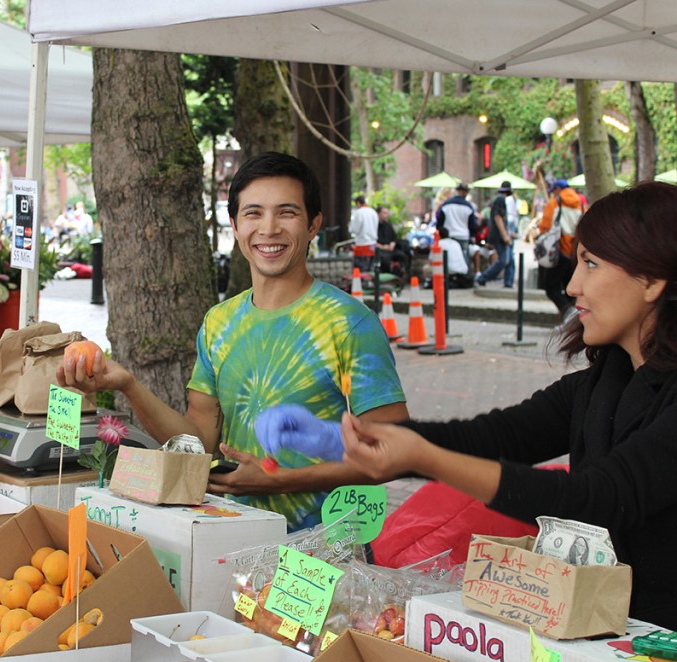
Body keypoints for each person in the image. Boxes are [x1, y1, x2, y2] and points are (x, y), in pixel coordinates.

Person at [261, 182, 677, 628]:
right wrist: (344, 439)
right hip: (612, 628)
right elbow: (492, 437)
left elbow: (596, 499)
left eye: (591, 264)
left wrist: (430, 459)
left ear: (652, 279)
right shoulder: (601, 382)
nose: (573, 285)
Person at [58, 152, 408, 531]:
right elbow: (199, 442)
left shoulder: (351, 324)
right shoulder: (219, 323)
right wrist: (127, 384)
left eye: (287, 213)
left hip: (322, 558)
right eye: (253, 213)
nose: (269, 229)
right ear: (236, 225)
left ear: (313, 225)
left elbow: (394, 452)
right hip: (232, 540)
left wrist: (281, 480)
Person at [539, 178, 582, 320]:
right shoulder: (580, 204)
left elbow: (544, 227)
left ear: (557, 189)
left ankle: (568, 313)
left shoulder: (554, 203)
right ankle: (570, 319)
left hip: (559, 251)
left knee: (550, 287)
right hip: (575, 252)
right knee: (570, 288)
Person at [474, 181, 515, 288]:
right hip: (499, 236)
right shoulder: (500, 199)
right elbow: (498, 217)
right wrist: (505, 235)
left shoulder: (500, 199)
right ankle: (483, 278)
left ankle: (508, 282)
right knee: (503, 260)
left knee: (510, 259)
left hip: (500, 235)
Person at [435, 183, 478, 273]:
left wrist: (440, 232)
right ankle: (465, 277)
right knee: (464, 257)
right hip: (463, 235)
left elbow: (439, 221)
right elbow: (472, 224)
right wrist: (473, 235)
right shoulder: (468, 206)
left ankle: (450, 276)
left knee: (449, 257)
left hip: (449, 235)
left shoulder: (446, 204)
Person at [376, 206, 411, 279]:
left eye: (387, 213)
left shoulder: (388, 225)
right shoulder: (374, 226)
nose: (386, 215)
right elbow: (373, 241)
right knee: (385, 260)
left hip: (391, 249)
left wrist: (392, 243)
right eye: (384, 213)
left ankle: (400, 274)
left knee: (402, 256)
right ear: (378, 214)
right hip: (381, 250)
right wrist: (383, 247)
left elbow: (393, 237)